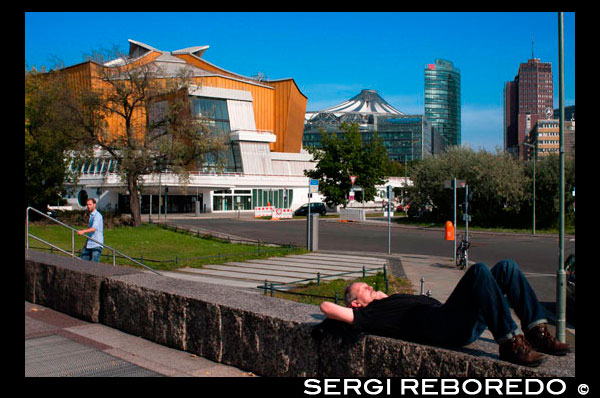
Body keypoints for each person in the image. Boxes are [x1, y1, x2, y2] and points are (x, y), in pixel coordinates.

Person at [319, 260, 570, 367]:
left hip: (451, 318)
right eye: (364, 289)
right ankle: (510, 344)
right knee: (479, 271)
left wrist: (384, 296)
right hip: (445, 327)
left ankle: (536, 332)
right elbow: (326, 308)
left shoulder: (390, 300)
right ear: (356, 304)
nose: (370, 287)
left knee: (506, 268)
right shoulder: (370, 314)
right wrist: (361, 309)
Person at [77, 198, 104, 262]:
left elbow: (93, 229)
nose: (88, 206)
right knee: (83, 262)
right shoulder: (91, 215)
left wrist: (83, 231)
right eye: (87, 205)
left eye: (90, 204)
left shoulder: (97, 215)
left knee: (94, 264)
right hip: (89, 243)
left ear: (94, 205)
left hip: (96, 243)